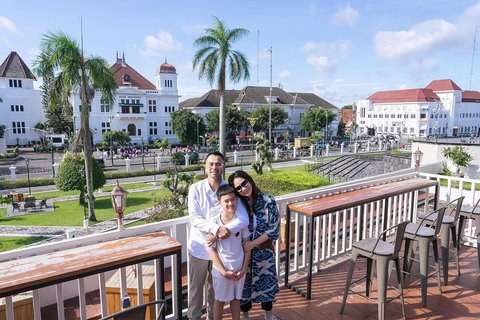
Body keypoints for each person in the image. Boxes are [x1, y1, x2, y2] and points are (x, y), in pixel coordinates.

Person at [188, 151, 249, 320]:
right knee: (195, 289)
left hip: (222, 251)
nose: (214, 167)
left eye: (218, 163)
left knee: (214, 291)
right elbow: (194, 218)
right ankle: (193, 317)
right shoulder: (195, 189)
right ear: (205, 167)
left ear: (224, 166)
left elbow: (243, 218)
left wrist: (223, 231)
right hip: (199, 247)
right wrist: (216, 230)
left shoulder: (228, 189)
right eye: (211, 164)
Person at [228, 170, 280, 320]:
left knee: (267, 282)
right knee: (244, 287)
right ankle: (245, 315)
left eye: (244, 183)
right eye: (239, 188)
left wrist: (252, 244)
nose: (243, 188)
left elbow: (274, 229)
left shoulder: (267, 200)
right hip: (243, 253)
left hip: (264, 251)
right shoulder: (238, 205)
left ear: (249, 180)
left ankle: (268, 315)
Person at [208, 184, 251, 320]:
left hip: (239, 267)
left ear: (237, 200)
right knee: (220, 300)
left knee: (236, 299)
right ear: (219, 202)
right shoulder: (214, 223)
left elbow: (247, 245)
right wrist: (223, 271)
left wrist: (244, 268)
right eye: (226, 201)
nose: (230, 203)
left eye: (233, 199)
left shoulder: (240, 222)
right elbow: (211, 249)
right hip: (222, 268)